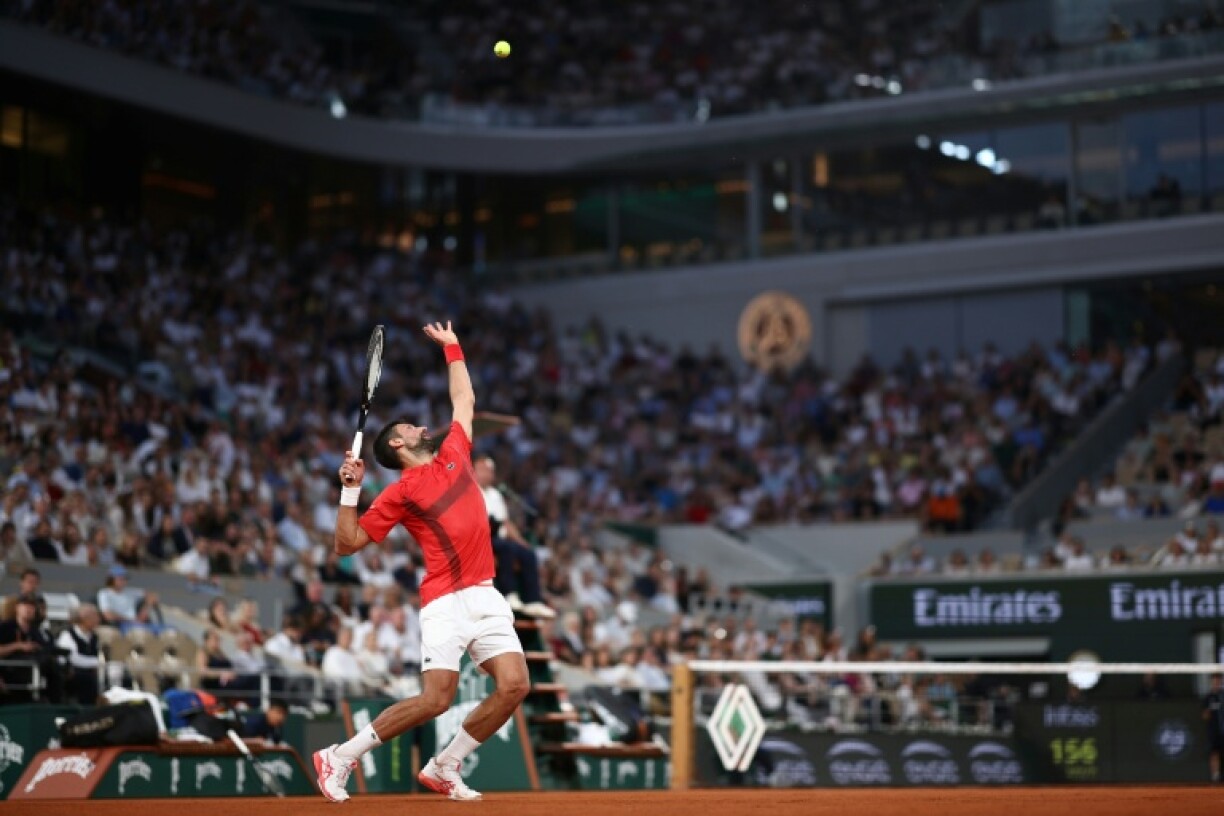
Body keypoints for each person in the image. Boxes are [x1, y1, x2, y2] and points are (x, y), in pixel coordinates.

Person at [313, 322, 530, 803]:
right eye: (411, 427)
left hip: (485, 592)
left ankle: (445, 766)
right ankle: (340, 756)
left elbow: (464, 400)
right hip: (446, 601)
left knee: (515, 685)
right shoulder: (400, 493)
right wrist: (350, 490)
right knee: (437, 699)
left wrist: (452, 347)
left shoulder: (456, 451)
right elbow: (347, 545)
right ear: (397, 444)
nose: (421, 426)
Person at [474, 455, 554, 619]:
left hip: (498, 536)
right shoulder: (471, 491)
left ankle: (533, 601)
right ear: (474, 472)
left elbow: (506, 523)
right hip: (480, 538)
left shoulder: (495, 494)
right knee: (507, 547)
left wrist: (522, 542)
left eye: (489, 471)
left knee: (528, 553)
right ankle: (509, 593)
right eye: (482, 470)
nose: (486, 474)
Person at [0, 593, 63, 703]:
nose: (29, 609)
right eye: (25, 605)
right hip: (11, 669)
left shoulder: (36, 631)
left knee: (55, 666)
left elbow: (44, 649)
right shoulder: (6, 627)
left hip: (36, 669)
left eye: (32, 606)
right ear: (17, 608)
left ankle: (54, 703)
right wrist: (18, 646)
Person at [56, 603, 102, 705]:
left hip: (92, 673)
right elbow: (72, 658)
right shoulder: (67, 635)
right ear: (84, 618)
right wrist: (98, 662)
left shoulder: (94, 637)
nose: (98, 619)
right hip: (72, 674)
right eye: (94, 616)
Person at [1204, 673, 1224, 783]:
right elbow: (1204, 716)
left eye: (1219, 681)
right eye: (1214, 681)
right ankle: (1215, 775)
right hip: (1214, 731)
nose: (1216, 683)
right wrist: (1210, 710)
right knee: (1214, 752)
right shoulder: (1208, 698)